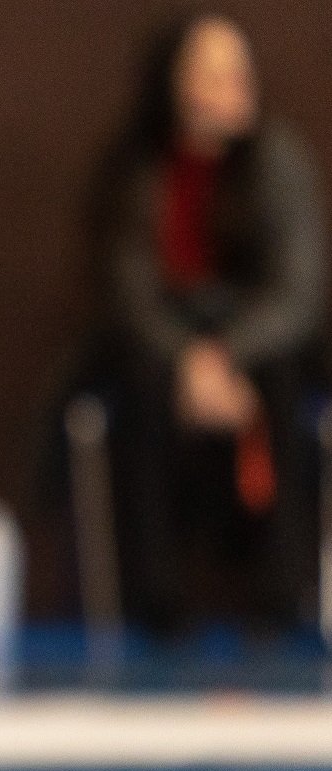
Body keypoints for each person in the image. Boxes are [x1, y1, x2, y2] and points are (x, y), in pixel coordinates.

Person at [88, 11, 326, 635]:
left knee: (282, 377)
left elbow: (297, 291)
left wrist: (228, 355)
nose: (234, 86)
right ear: (176, 83)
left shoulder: (278, 164)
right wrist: (187, 361)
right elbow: (128, 292)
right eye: (214, 73)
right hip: (166, 346)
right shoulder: (138, 171)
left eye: (241, 72)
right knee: (141, 378)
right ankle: (156, 601)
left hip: (256, 345)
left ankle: (282, 593)